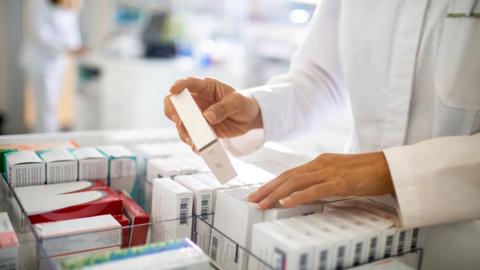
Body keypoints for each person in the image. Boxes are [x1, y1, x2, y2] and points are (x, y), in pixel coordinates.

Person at [164, 0, 480, 229]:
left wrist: (392, 169)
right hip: (354, 213)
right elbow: (322, 78)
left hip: (463, 230)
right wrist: (255, 108)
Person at [21, 0, 86, 133]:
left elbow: (72, 28)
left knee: (53, 105)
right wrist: (68, 48)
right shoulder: (40, 4)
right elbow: (41, 34)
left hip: (58, 61)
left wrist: (77, 46)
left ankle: (50, 138)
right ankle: (45, 141)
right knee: (47, 106)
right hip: (40, 62)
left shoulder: (74, 3)